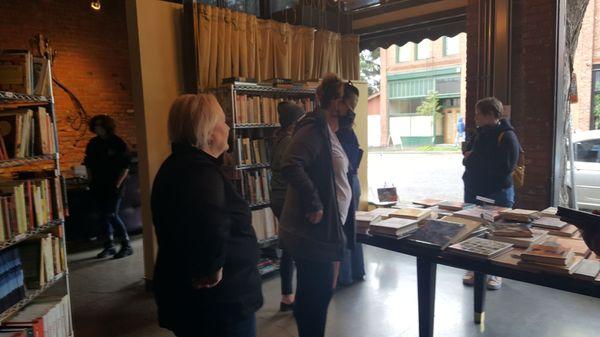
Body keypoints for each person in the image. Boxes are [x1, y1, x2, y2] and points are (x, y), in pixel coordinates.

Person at [151, 94, 263, 337]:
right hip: (220, 304)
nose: (228, 126)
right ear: (209, 131)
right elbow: (210, 220)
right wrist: (211, 265)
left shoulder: (177, 165)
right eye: (223, 121)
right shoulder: (200, 172)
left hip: (196, 301)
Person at [280, 73, 352, 337]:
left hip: (327, 230)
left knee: (317, 296)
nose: (350, 109)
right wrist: (314, 203)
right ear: (335, 102)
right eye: (346, 103)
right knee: (316, 298)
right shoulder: (313, 127)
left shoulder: (329, 130)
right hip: (314, 232)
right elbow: (291, 163)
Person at [462, 97, 521, 290]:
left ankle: (496, 273)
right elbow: (467, 157)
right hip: (474, 191)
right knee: (475, 230)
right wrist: (471, 158)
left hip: (496, 192)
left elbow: (505, 167)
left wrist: (475, 159)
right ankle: (473, 268)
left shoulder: (507, 135)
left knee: (495, 232)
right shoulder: (479, 133)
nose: (475, 117)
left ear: (489, 114)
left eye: (478, 113)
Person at [270, 101, 304, 312]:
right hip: (286, 198)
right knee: (296, 248)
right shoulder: (291, 142)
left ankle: (286, 296)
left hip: (276, 197)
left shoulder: (277, 137)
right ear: (294, 122)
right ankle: (294, 297)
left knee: (288, 247)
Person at [84, 115, 133, 259]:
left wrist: (117, 184)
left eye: (101, 125)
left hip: (114, 186)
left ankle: (126, 245)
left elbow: (126, 166)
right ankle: (109, 246)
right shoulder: (93, 143)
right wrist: (90, 180)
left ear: (107, 126)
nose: (98, 127)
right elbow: (88, 163)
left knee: (112, 214)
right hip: (97, 185)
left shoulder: (118, 143)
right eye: (96, 125)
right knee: (102, 216)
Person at [336, 82, 366, 287]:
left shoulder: (341, 126)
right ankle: (354, 272)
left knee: (347, 227)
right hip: (349, 178)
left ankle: (346, 275)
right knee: (350, 226)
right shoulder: (342, 125)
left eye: (355, 104)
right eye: (350, 103)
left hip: (348, 179)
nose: (352, 109)